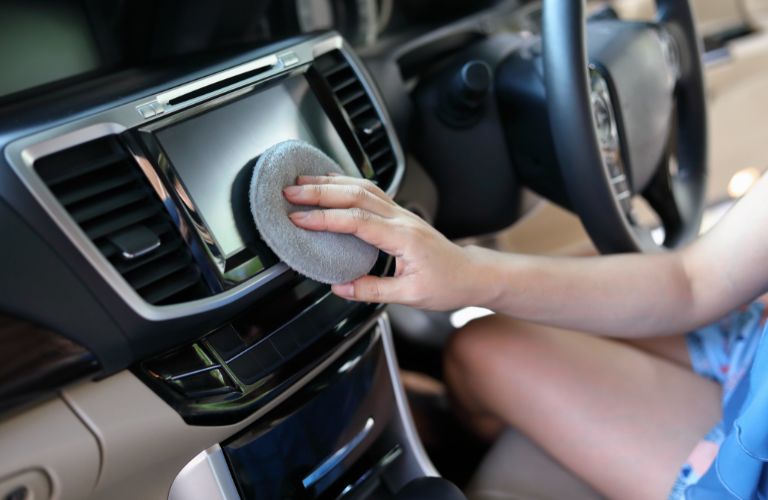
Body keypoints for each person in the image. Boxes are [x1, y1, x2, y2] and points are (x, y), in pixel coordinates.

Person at [282, 172, 768, 500]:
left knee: (480, 351)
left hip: (751, 468)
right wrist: (469, 271)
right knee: (499, 334)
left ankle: (462, 432)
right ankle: (464, 413)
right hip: (753, 353)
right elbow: (692, 282)